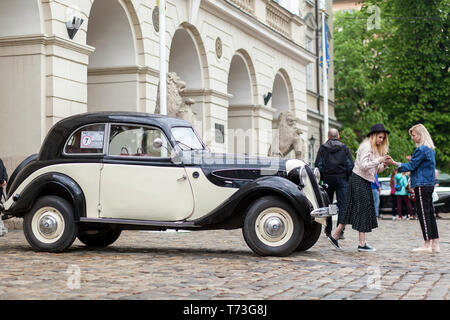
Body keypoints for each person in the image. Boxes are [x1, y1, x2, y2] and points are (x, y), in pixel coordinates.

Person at [327, 124, 390, 252]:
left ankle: (335, 236)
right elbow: (363, 165)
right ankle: (362, 243)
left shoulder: (375, 149)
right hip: (358, 180)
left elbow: (375, 170)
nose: (381, 140)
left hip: (364, 180)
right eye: (380, 137)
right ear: (373, 136)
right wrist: (378, 160)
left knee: (351, 209)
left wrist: (384, 164)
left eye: (383, 138)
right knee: (362, 210)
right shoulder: (366, 146)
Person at [386, 124, 440, 253]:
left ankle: (427, 244)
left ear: (420, 135)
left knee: (423, 214)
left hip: (421, 185)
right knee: (430, 213)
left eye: (414, 135)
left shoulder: (421, 149)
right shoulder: (430, 149)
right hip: (428, 184)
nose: (413, 138)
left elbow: (411, 166)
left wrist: (394, 163)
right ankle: (435, 244)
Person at [315, 128, 354, 239]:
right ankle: (340, 231)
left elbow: (319, 165)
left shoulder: (323, 148)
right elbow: (350, 165)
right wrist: (347, 178)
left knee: (328, 204)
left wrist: (322, 179)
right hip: (342, 179)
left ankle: (328, 230)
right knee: (342, 205)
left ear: (328, 136)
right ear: (338, 136)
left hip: (328, 178)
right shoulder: (344, 148)